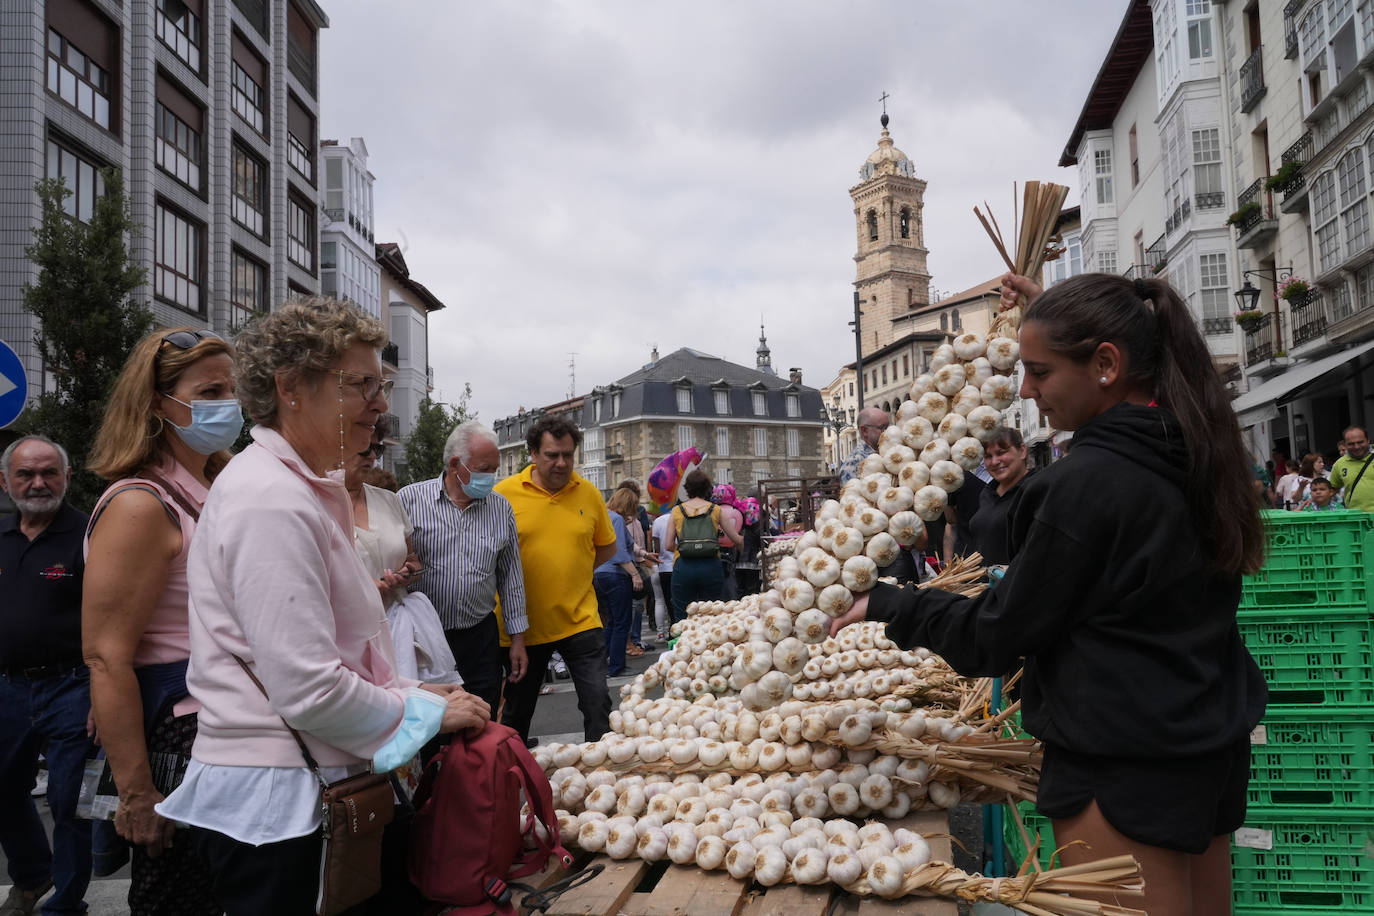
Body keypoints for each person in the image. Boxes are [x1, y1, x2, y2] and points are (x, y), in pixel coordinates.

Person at [832, 272, 1268, 914]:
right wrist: (1053, 318)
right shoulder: (1197, 449)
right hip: (1203, 741)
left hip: (1122, 759)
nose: (1028, 391)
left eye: (1039, 372)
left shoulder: (1086, 484)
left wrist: (897, 603)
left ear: (1107, 364)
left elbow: (1000, 634)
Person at [154, 299, 488, 915]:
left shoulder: (298, 489)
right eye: (361, 384)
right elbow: (309, 689)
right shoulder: (270, 502)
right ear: (290, 389)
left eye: (380, 385)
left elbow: (330, 649)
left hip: (307, 790)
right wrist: (421, 713)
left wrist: (416, 688)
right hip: (283, 808)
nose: (380, 403)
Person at [82, 328, 239, 916]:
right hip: (180, 732)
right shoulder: (140, 505)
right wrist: (137, 793)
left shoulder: (214, 485)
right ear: (156, 402)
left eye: (231, 389)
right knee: (180, 896)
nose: (227, 404)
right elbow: (106, 656)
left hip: (225, 719)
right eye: (208, 391)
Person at [0, 436, 94, 916]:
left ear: (66, 476)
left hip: (74, 685)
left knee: (69, 799)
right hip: (8, 687)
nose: (38, 483)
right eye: (25, 474)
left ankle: (66, 900)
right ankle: (32, 877)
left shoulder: (89, 534)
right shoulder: (0, 535)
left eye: (48, 473)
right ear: (5, 481)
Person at [494, 415, 618, 743]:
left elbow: (606, 548)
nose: (562, 463)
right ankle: (511, 777)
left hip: (580, 619)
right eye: (552, 455)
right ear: (533, 454)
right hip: (522, 627)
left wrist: (572, 571)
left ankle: (601, 776)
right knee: (517, 711)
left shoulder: (588, 492)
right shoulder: (503, 494)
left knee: (598, 703)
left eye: (568, 455)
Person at [399, 421, 527, 716]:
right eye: (485, 469)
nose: (491, 478)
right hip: (425, 639)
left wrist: (517, 640)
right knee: (430, 720)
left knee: (480, 716)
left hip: (479, 637)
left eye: (494, 470)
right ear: (456, 464)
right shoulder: (409, 500)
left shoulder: (500, 508)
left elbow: (511, 578)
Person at [347, 423, 458, 689]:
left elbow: (412, 560)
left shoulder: (389, 500)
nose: (373, 457)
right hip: (352, 634)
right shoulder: (318, 502)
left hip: (399, 625)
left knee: (417, 713)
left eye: (377, 448)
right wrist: (364, 587)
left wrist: (407, 573)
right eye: (365, 449)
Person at [663, 469, 742, 618]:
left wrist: (685, 549)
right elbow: (735, 539)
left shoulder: (677, 511)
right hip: (711, 565)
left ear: (687, 489)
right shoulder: (715, 510)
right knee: (712, 612)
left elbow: (667, 544)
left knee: (682, 613)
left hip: (683, 566)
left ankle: (683, 640)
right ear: (707, 488)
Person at [967, 426, 1032, 567]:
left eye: (1001, 452)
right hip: (986, 585)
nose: (995, 461)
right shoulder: (988, 492)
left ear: (1022, 451)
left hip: (1014, 585)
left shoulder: (1035, 489)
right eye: (988, 456)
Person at [597, 488, 643, 677]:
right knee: (621, 622)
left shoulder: (604, 517)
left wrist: (645, 555)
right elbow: (619, 552)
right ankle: (616, 666)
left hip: (599, 574)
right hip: (615, 575)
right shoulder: (615, 520)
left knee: (611, 622)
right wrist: (635, 574)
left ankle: (602, 663)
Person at [838, 407, 889, 483]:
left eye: (888, 427)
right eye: (882, 427)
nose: (887, 431)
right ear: (864, 430)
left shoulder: (886, 452)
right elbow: (851, 492)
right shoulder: (853, 463)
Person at [1331, 426, 1374, 512]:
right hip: (1356, 519)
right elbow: (1333, 489)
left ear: (1368, 441)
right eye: (1351, 444)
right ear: (1345, 444)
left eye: (1360, 442)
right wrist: (1314, 500)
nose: (1356, 447)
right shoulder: (1339, 464)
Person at [649, 509, 675, 636]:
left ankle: (663, 632)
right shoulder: (679, 516)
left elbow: (656, 548)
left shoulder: (657, 522)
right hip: (678, 565)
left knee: (664, 601)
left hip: (663, 567)